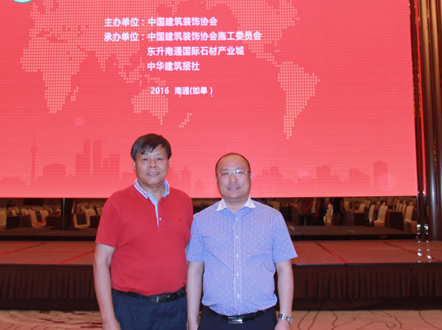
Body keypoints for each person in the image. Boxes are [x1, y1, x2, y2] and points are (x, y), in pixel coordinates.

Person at [186, 153, 297, 330]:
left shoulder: (272, 218)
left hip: (261, 321)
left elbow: (284, 269)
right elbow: (195, 271)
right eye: (225, 173)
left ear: (250, 176)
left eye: (239, 172)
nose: (233, 179)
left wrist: (284, 318)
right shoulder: (201, 220)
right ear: (216, 179)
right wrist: (192, 321)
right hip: (214, 322)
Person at [93, 134, 193, 330]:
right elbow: (100, 262)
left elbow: (189, 256)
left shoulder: (184, 201)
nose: (152, 165)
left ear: (169, 162)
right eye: (145, 159)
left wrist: (190, 313)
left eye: (159, 158)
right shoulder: (116, 203)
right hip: (132, 309)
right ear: (134, 164)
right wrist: (108, 319)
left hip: (175, 307)